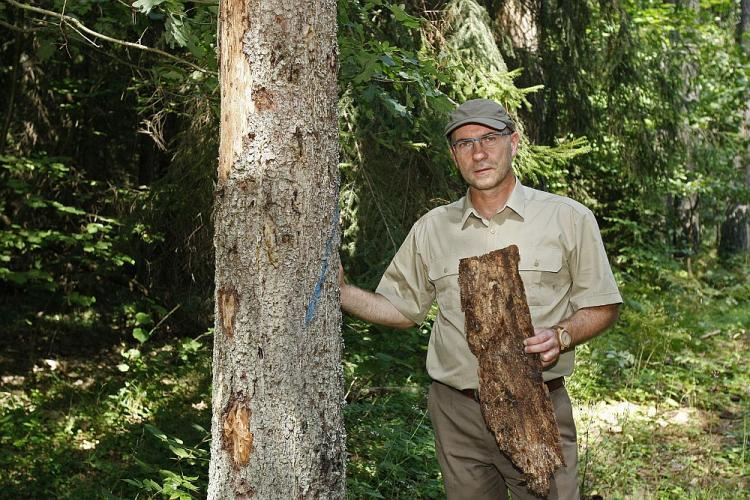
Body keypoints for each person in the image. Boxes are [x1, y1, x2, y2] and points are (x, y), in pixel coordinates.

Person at [339, 98, 622, 499]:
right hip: (458, 413)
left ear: (514, 142)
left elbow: (603, 305)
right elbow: (402, 308)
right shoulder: (433, 228)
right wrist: (343, 293)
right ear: (454, 155)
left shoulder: (567, 218)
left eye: (489, 138)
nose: (479, 152)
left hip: (536, 404)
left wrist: (561, 336)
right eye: (464, 143)